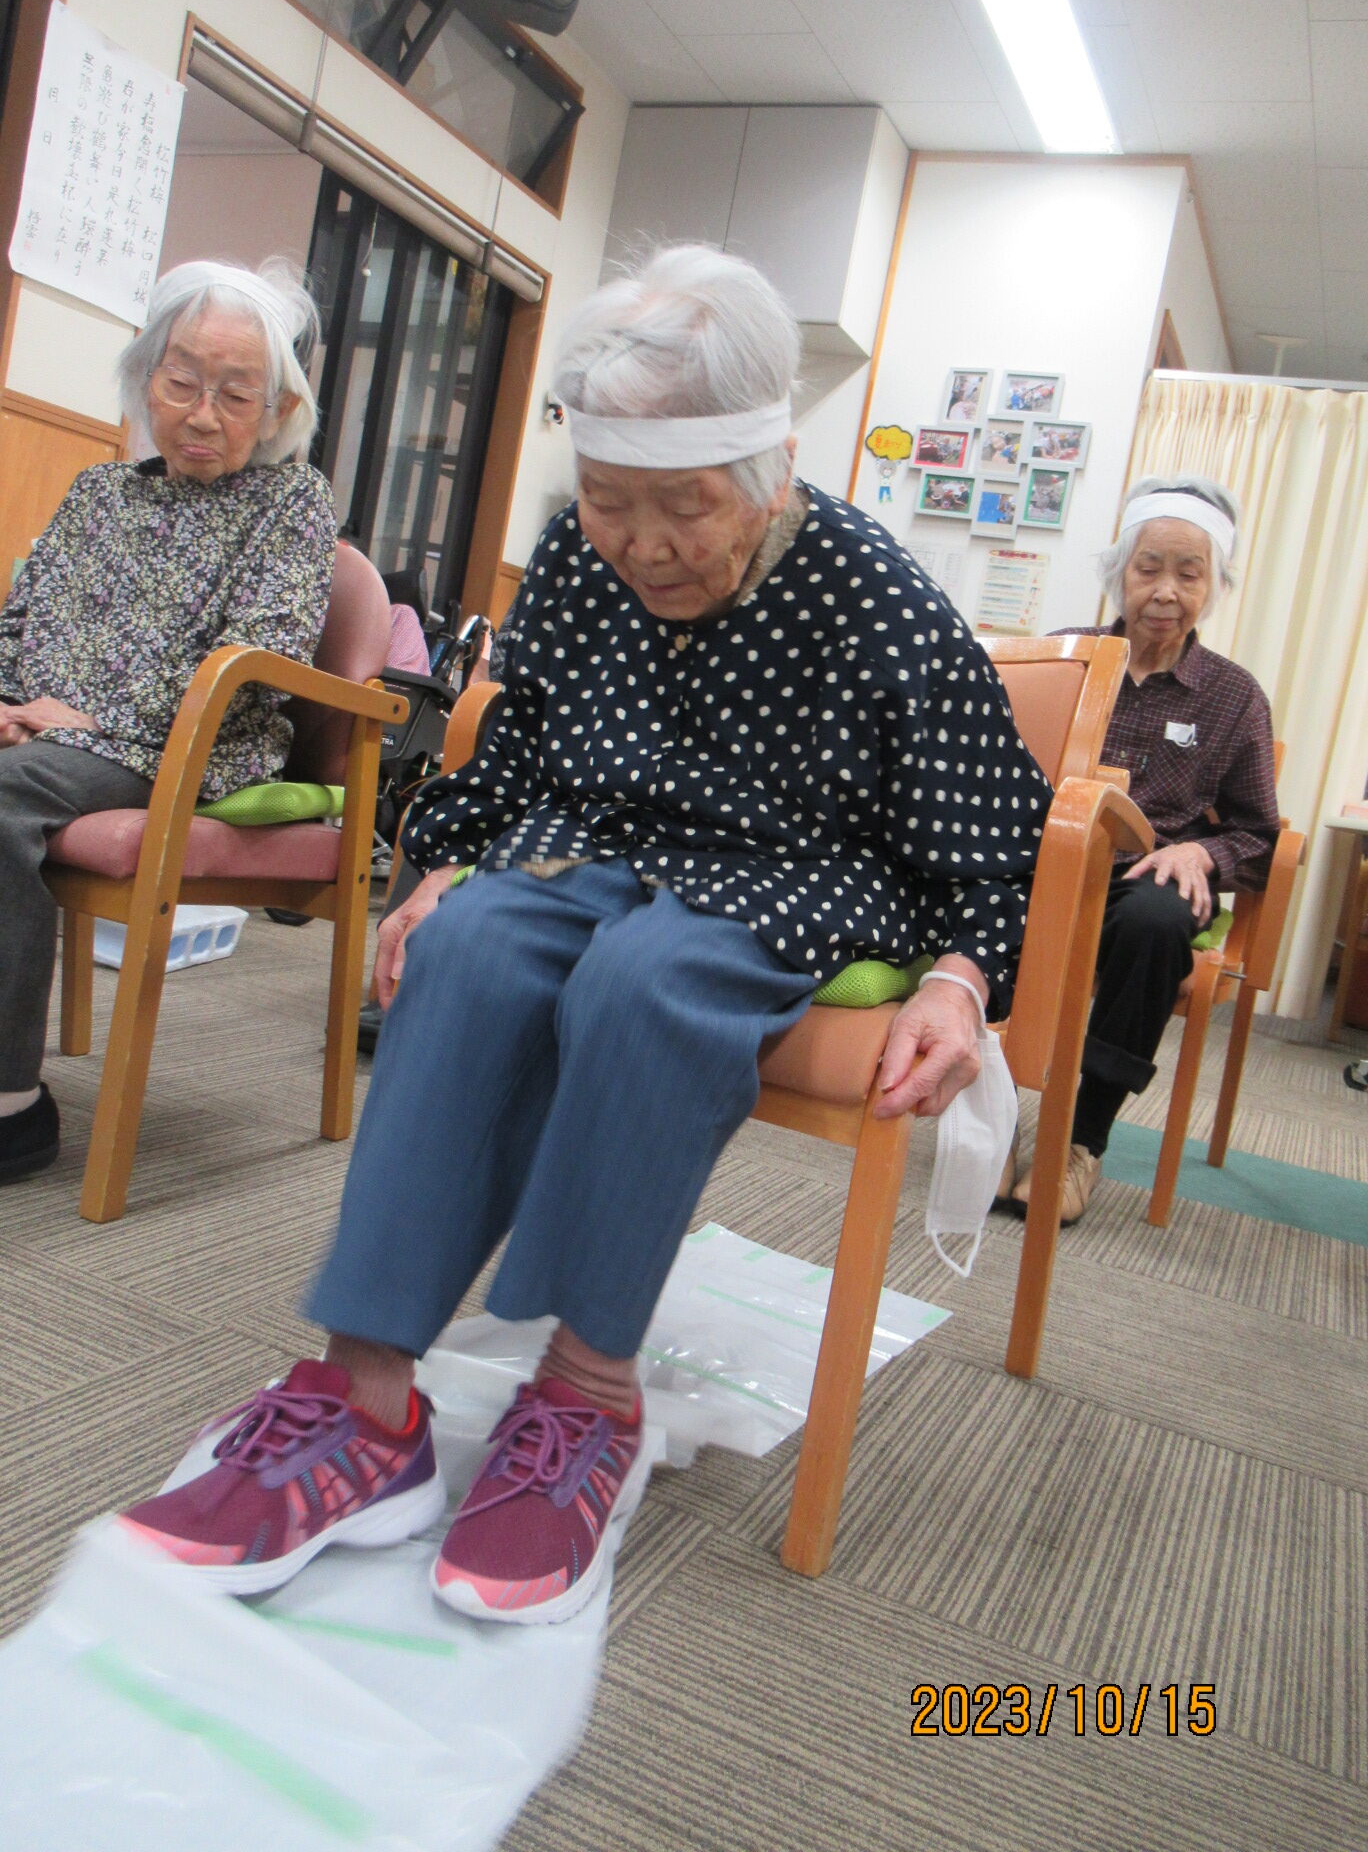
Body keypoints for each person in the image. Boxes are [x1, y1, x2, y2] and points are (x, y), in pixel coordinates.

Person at [118, 245, 1053, 1625]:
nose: (644, 544)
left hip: (791, 870)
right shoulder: (574, 551)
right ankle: (365, 1404)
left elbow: (992, 826)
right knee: (471, 951)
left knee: (646, 979)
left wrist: (964, 981)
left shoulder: (875, 595)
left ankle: (588, 1393)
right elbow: (521, 744)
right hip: (594, 840)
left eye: (686, 506)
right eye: (612, 500)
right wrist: (447, 864)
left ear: (773, 469)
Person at [0, 260, 337, 1182]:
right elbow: (17, 623)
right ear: (146, 376)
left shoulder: (291, 501)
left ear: (277, 410)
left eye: (236, 394)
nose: (203, 415)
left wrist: (87, 722)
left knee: (4, 798)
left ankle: (12, 1110)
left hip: (181, 748)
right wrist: (10, 706)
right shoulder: (98, 491)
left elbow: (258, 657)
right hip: (48, 735)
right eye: (183, 382)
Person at [1001, 475, 1279, 1224]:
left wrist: (1202, 856)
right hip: (1045, 861)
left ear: (1214, 587)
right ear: (1118, 571)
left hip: (1144, 877)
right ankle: (992, 1121)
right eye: (1148, 567)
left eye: (1189, 574)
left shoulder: (1233, 696)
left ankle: (1079, 1141)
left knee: (1157, 923)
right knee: (977, 897)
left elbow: (1258, 833)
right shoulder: (1064, 658)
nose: (1165, 591)